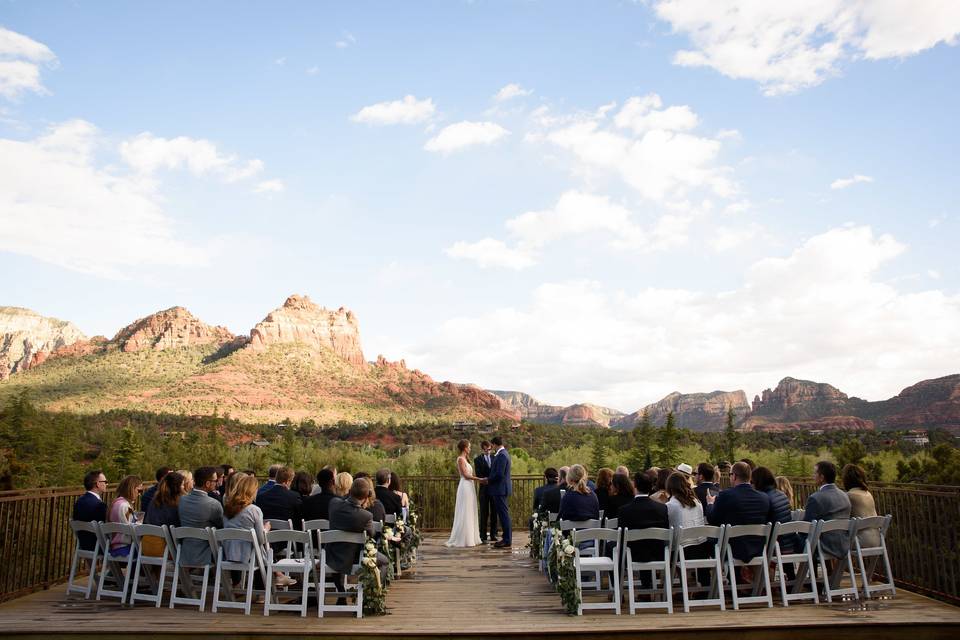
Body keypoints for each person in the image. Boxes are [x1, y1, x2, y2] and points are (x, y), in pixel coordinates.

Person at [706, 461, 772, 563]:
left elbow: (712, 519)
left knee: (707, 541)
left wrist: (710, 504)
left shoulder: (726, 495)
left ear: (734, 476)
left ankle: (715, 576)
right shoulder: (764, 497)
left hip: (732, 549)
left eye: (730, 474)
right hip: (758, 548)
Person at [327, 479, 389, 585]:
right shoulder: (365, 515)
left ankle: (340, 591)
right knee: (385, 561)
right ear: (366, 497)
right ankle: (376, 593)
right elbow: (372, 534)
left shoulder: (333, 504)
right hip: (353, 557)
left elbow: (343, 501)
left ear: (350, 491)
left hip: (332, 555)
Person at [618, 470, 669, 586]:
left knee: (614, 548)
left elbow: (621, 538)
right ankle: (646, 586)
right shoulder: (662, 508)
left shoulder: (625, 510)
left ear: (634, 486)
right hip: (658, 553)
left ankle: (617, 589)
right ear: (651, 487)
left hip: (633, 554)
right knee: (646, 543)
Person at [803, 461, 852, 560]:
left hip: (823, 546)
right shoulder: (845, 496)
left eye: (814, 473)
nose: (813, 476)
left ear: (821, 477)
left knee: (790, 542)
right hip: (844, 544)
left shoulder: (815, 498)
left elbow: (807, 527)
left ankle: (800, 575)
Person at [178, 466, 224, 565]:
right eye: (215, 480)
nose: (217, 483)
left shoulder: (182, 500)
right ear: (207, 483)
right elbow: (222, 527)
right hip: (206, 553)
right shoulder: (213, 504)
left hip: (185, 552)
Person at [446, 440, 482, 547]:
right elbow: (466, 475)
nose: (470, 449)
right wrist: (479, 479)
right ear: (465, 448)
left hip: (470, 486)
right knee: (465, 510)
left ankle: (471, 537)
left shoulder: (466, 459)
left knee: (471, 510)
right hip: (465, 486)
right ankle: (464, 538)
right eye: (469, 447)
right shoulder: (460, 459)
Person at [142, 471, 184, 556]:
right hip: (164, 551)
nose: (184, 487)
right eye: (182, 485)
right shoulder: (175, 505)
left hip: (145, 548)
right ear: (177, 488)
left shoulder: (154, 501)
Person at [842, 464, 880, 548]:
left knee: (833, 542)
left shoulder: (849, 495)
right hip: (877, 539)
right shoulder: (868, 494)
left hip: (859, 541)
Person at [486, 435, 513, 548]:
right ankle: (506, 538)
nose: (491, 448)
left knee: (504, 515)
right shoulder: (503, 454)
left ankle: (507, 540)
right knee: (503, 514)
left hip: (500, 489)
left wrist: (487, 480)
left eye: (491, 445)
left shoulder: (501, 455)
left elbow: (499, 474)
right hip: (501, 489)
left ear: (494, 444)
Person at [108, 475, 142, 557]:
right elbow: (130, 530)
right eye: (139, 490)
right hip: (124, 547)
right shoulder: (125, 506)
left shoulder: (115, 503)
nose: (139, 494)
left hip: (114, 546)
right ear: (131, 488)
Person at [73, 470, 107, 551]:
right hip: (98, 546)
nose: (107, 484)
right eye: (105, 482)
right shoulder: (99, 505)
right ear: (98, 484)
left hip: (83, 545)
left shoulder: (79, 502)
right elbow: (107, 525)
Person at [473, 441, 499, 543]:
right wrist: (487, 480)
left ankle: (493, 535)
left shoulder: (495, 458)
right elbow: (479, 474)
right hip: (483, 489)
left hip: (494, 489)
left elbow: (497, 472)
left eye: (489, 449)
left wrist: (490, 480)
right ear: (482, 449)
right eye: (486, 449)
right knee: (484, 513)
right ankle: (482, 535)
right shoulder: (477, 460)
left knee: (494, 512)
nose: (488, 451)